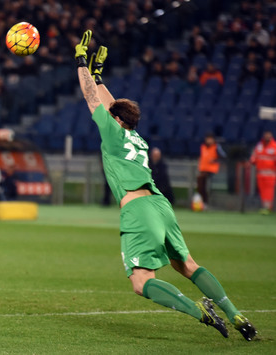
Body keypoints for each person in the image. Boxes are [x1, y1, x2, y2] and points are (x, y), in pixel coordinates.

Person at [74, 30, 256, 341]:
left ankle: (198, 310)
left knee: (141, 281)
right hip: (161, 206)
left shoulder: (113, 133)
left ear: (115, 120)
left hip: (138, 210)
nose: (107, 113)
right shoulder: (136, 137)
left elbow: (92, 100)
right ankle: (236, 314)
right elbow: (110, 104)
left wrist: (80, 62)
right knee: (187, 264)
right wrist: (99, 76)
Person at [250, 131, 276, 215]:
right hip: (260, 172)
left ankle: (268, 207)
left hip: (270, 173)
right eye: (266, 135)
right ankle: (264, 206)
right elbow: (254, 156)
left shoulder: (274, 146)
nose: (267, 137)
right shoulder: (259, 145)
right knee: (262, 190)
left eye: (269, 135)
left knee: (269, 191)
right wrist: (251, 161)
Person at [197, 133, 226, 206]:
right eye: (208, 138)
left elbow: (223, 156)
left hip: (212, 170)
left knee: (201, 179)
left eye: (210, 139)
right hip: (203, 169)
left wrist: (215, 160)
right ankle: (203, 201)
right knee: (200, 184)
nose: (209, 140)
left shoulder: (216, 147)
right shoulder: (203, 146)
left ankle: (205, 202)